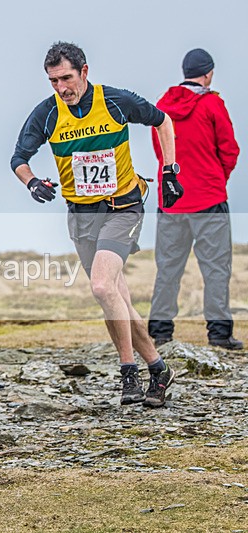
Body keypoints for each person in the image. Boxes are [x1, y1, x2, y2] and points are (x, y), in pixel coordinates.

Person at [11, 42, 182, 408]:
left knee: (103, 286)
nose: (61, 88)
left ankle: (127, 371)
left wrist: (169, 169)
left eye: (67, 78)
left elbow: (163, 120)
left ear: (84, 72)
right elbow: (18, 158)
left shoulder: (116, 101)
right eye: (53, 81)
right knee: (114, 297)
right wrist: (32, 182)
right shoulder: (47, 114)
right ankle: (157, 368)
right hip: (82, 216)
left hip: (123, 207)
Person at [148, 49, 242, 351]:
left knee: (168, 268)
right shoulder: (212, 104)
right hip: (209, 198)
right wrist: (216, 178)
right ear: (208, 73)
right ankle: (219, 333)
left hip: (171, 201)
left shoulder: (162, 107)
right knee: (216, 268)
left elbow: (160, 153)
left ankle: (160, 332)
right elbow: (230, 150)